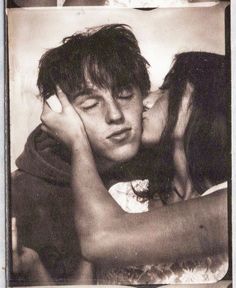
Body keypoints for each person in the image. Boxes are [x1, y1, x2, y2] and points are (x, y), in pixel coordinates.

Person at [40, 52, 229, 284]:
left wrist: (77, 141)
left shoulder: (228, 204)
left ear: (207, 103)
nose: (147, 101)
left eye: (168, 89)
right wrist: (32, 267)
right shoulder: (122, 195)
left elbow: (100, 239)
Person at [10, 24, 150, 286]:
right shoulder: (18, 196)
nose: (116, 115)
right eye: (90, 104)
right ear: (58, 114)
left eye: (124, 94)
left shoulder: (167, 170)